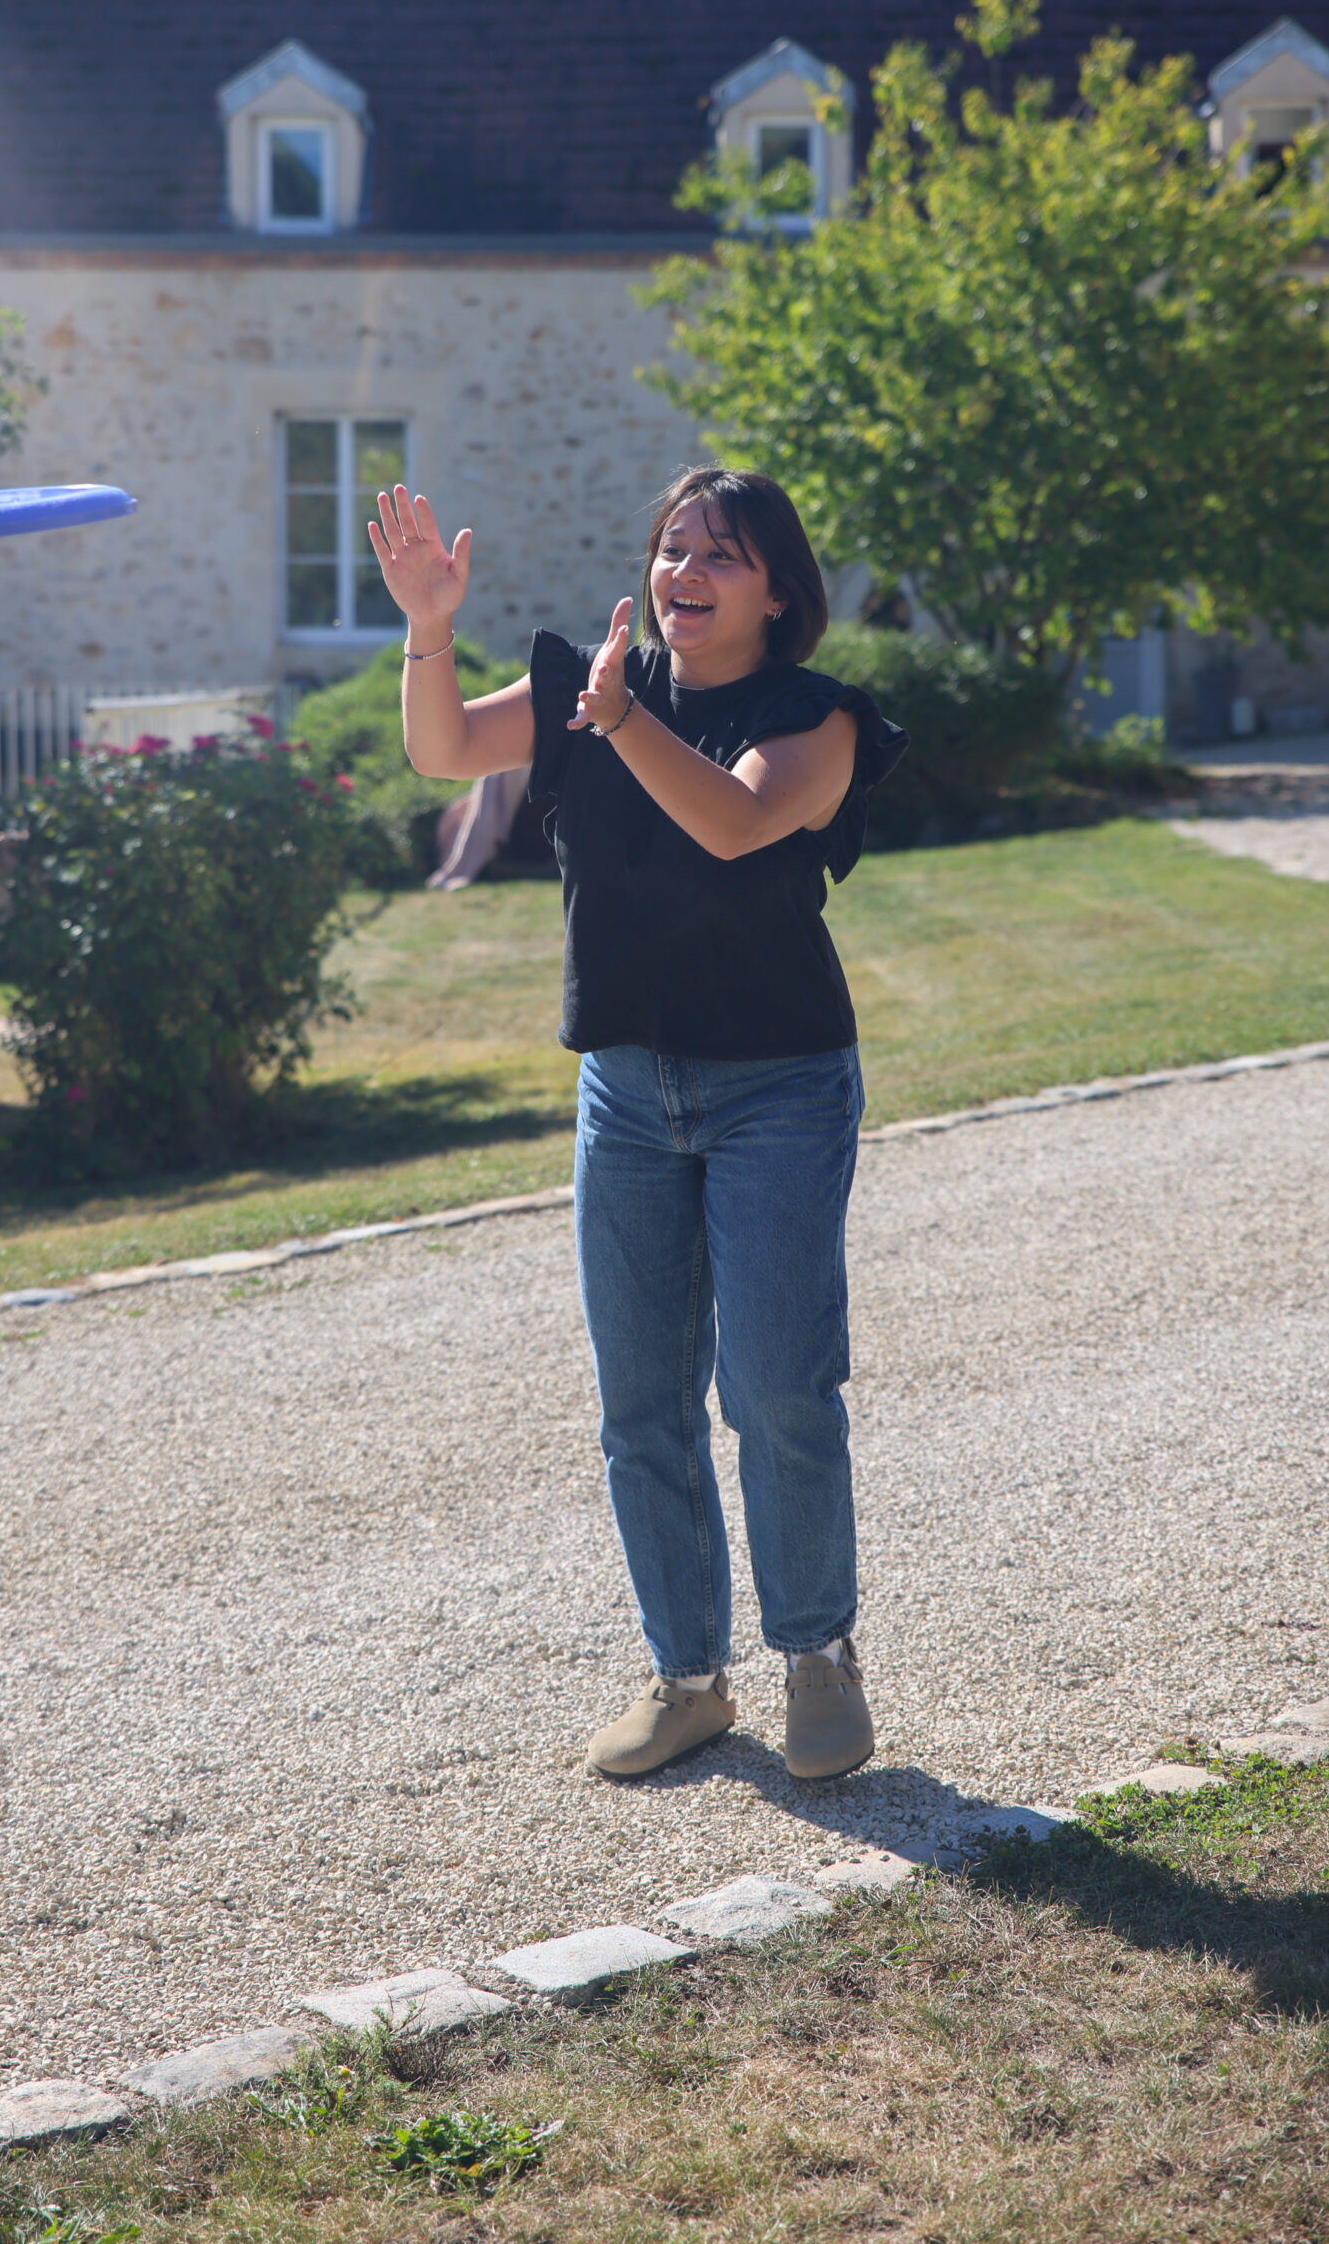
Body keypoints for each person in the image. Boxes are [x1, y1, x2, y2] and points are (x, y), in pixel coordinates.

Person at [368, 466, 907, 1781]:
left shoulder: (816, 718)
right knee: (642, 1407)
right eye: (674, 547)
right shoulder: (593, 685)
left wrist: (616, 726)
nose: (687, 573)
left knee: (775, 1388)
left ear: (779, 593)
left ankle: (817, 1658)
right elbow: (441, 753)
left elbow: (735, 822)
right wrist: (429, 627)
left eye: (722, 555)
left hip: (777, 1086)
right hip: (623, 1090)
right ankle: (688, 1677)